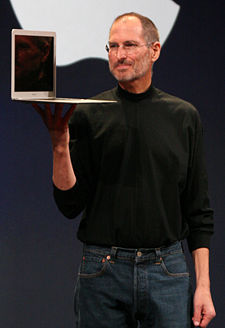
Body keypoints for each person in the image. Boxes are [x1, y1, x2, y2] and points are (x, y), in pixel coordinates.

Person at [33, 12, 216, 328]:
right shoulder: (88, 114)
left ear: (155, 50)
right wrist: (59, 147)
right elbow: (69, 204)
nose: (119, 55)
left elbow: (198, 210)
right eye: (113, 46)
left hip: (168, 271)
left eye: (130, 45)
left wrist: (203, 287)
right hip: (103, 271)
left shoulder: (184, 116)